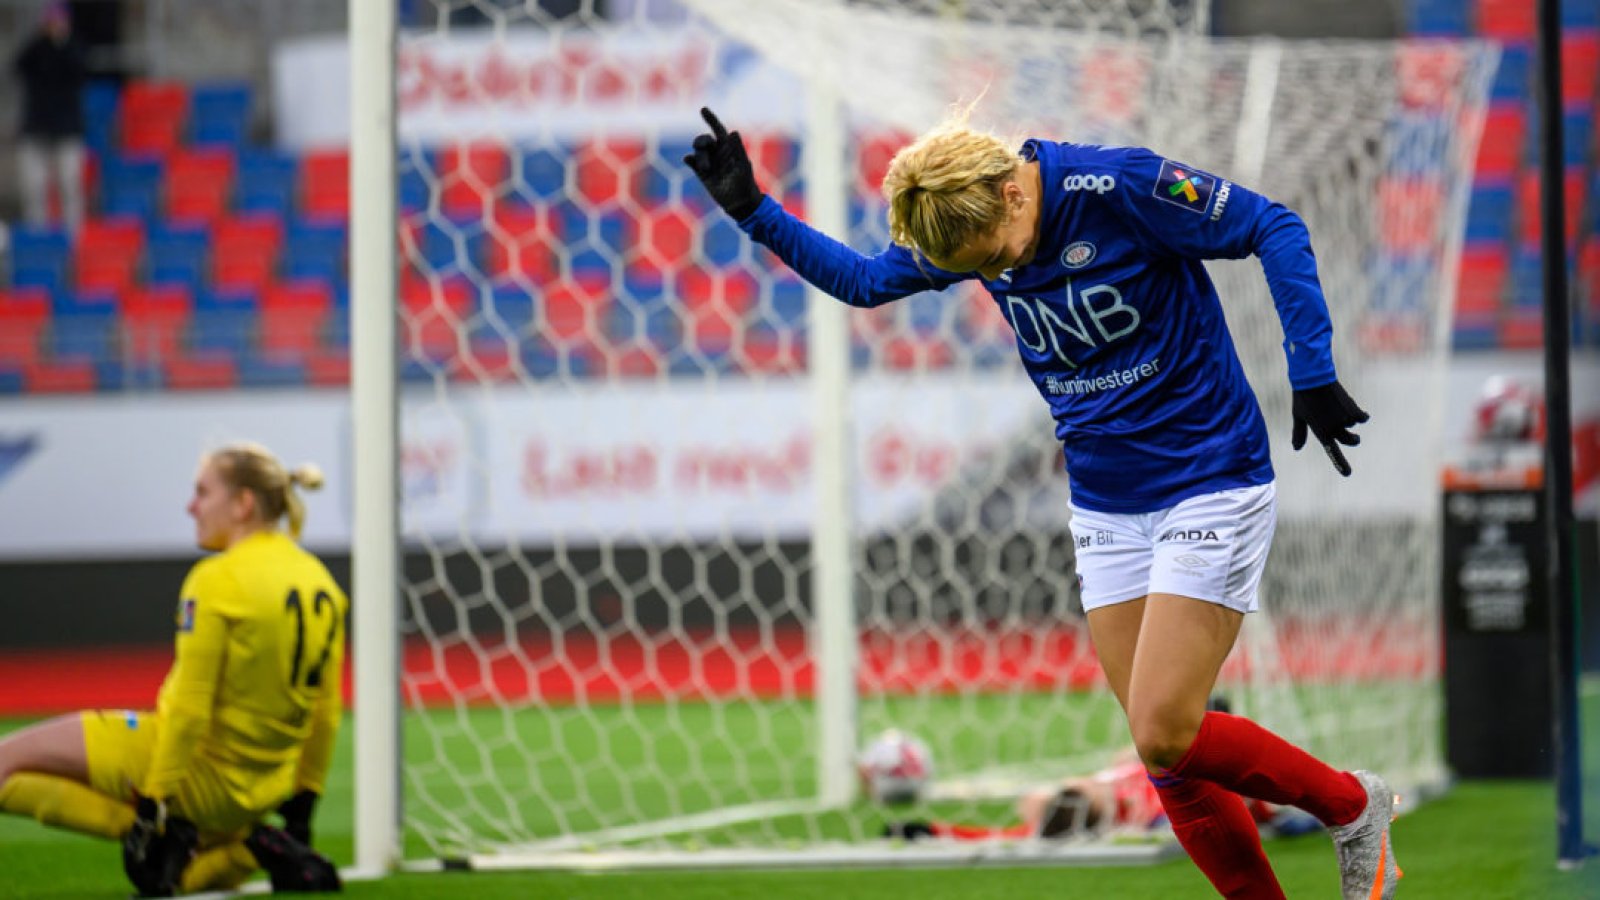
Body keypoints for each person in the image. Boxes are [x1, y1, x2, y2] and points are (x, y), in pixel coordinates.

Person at [684, 106, 1395, 900]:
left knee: (1165, 729)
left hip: (1209, 474)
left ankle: (1354, 805)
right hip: (1104, 503)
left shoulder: (1119, 186)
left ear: (1012, 196)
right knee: (1167, 759)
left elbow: (1273, 224)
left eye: (995, 256)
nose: (1000, 272)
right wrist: (754, 211)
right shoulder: (968, 228)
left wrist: (1312, 369)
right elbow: (863, 281)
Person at [0, 442, 346, 896]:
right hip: (261, 791)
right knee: (174, 877)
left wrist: (154, 806)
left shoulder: (218, 579)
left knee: (5, 765)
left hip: (193, 776)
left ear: (242, 504)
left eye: (202, 493)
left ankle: (177, 835)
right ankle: (250, 846)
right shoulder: (321, 581)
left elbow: (189, 707)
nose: (191, 507)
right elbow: (326, 710)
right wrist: (304, 803)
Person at [881, 698, 1322, 843]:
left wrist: (935, 829)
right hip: (1184, 774)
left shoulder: (1116, 784)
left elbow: (1006, 837)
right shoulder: (1144, 806)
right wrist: (1277, 819)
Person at [12, 0, 88, 235]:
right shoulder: (36, 49)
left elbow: (79, 71)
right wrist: (44, 41)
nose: (55, 25)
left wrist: (60, 44)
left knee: (69, 184)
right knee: (33, 187)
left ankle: (73, 240)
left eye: (59, 20)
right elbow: (18, 65)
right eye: (51, 20)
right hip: (37, 128)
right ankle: (38, 239)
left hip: (66, 128)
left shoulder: (74, 48)